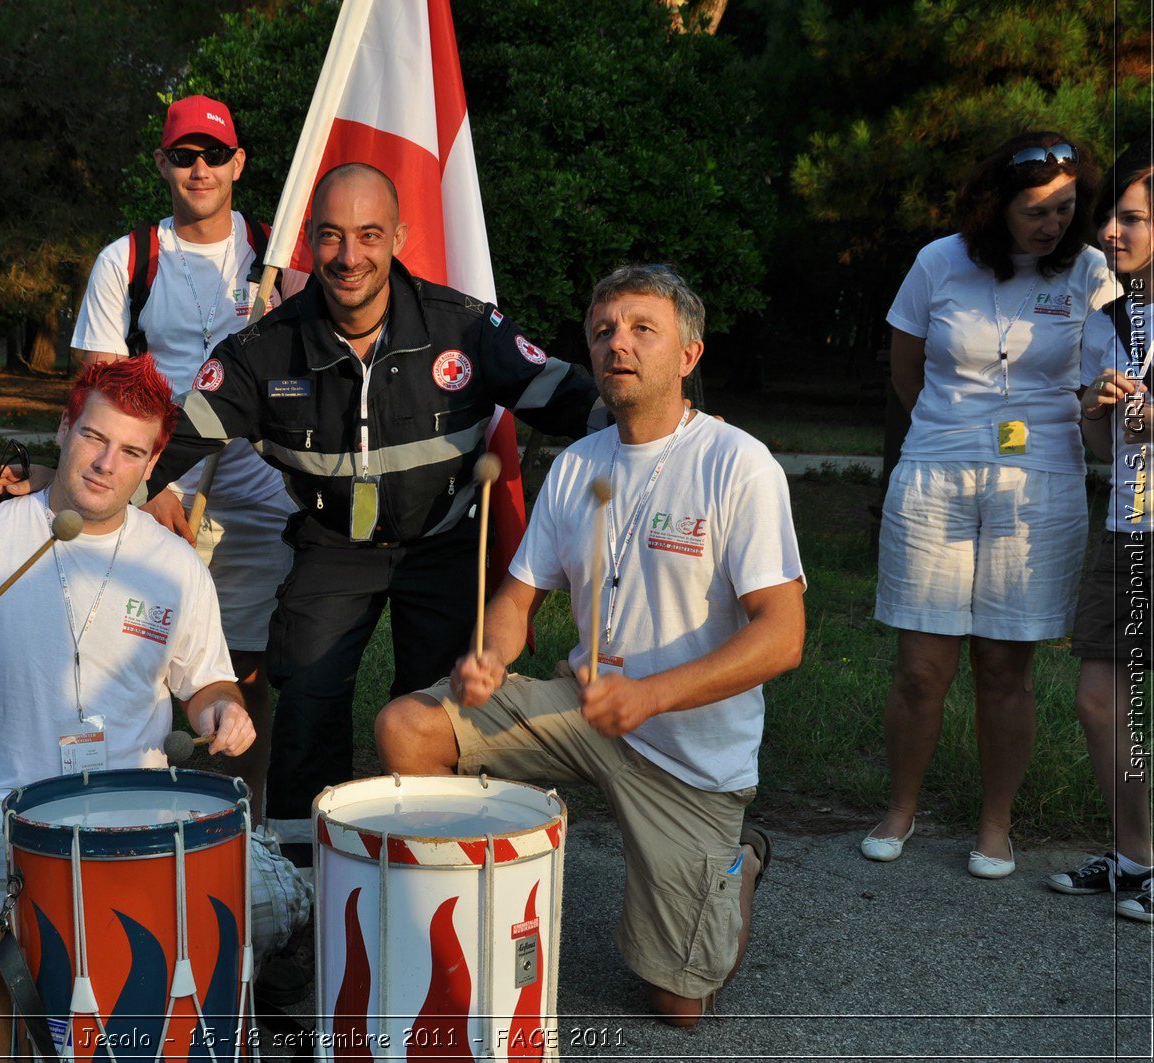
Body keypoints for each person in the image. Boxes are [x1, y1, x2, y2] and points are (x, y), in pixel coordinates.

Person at [374, 263, 806, 1026]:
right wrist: (492, 655)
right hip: (582, 712)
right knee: (407, 727)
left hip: (687, 758)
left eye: (644, 329)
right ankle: (468, 923)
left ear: (689, 355)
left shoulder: (737, 464)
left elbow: (784, 637)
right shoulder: (577, 466)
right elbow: (517, 601)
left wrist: (650, 694)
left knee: (678, 1004)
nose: (619, 345)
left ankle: (739, 866)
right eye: (604, 330)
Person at [142, 162, 598, 859]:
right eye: (330, 236)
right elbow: (167, 437)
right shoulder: (264, 349)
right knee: (308, 708)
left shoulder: (465, 329)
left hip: (444, 547)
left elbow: (568, 395)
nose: (348, 256)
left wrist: (670, 428)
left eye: (368, 235)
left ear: (399, 236)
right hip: (332, 547)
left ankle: (431, 869)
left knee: (437, 713)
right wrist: (85, 482)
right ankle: (298, 885)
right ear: (311, 243)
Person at [0, 358, 309, 1046]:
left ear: (153, 460)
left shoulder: (174, 565)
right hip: (9, 807)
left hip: (141, 804)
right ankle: (8, 969)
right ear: (64, 430)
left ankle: (78, 979)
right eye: (95, 437)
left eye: (130, 450)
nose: (105, 463)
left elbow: (205, 681)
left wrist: (220, 709)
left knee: (276, 905)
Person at [865, 131, 1118, 877]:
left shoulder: (1092, 272)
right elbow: (906, 368)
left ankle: (996, 825)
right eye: (1035, 210)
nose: (1052, 224)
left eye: (1065, 208)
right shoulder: (938, 261)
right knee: (921, 666)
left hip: (1040, 482)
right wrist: (954, 432)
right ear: (996, 206)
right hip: (936, 474)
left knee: (1006, 666)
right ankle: (900, 809)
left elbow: (1100, 373)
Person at [48, 94, 302, 812]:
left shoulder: (280, 257)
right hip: (152, 481)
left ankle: (241, 821)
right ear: (163, 163)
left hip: (259, 488)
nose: (200, 169)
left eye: (215, 155)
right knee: (136, 650)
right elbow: (98, 385)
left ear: (239, 164)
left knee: (243, 667)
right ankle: (140, 803)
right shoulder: (127, 259)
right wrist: (149, 485)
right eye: (185, 155)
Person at [1050, 137, 1154, 920]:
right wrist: (1095, 414)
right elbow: (1099, 447)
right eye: (1109, 219)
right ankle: (1136, 858)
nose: (1109, 235)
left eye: (1131, 219)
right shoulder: (1106, 321)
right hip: (1127, 527)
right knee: (1098, 697)